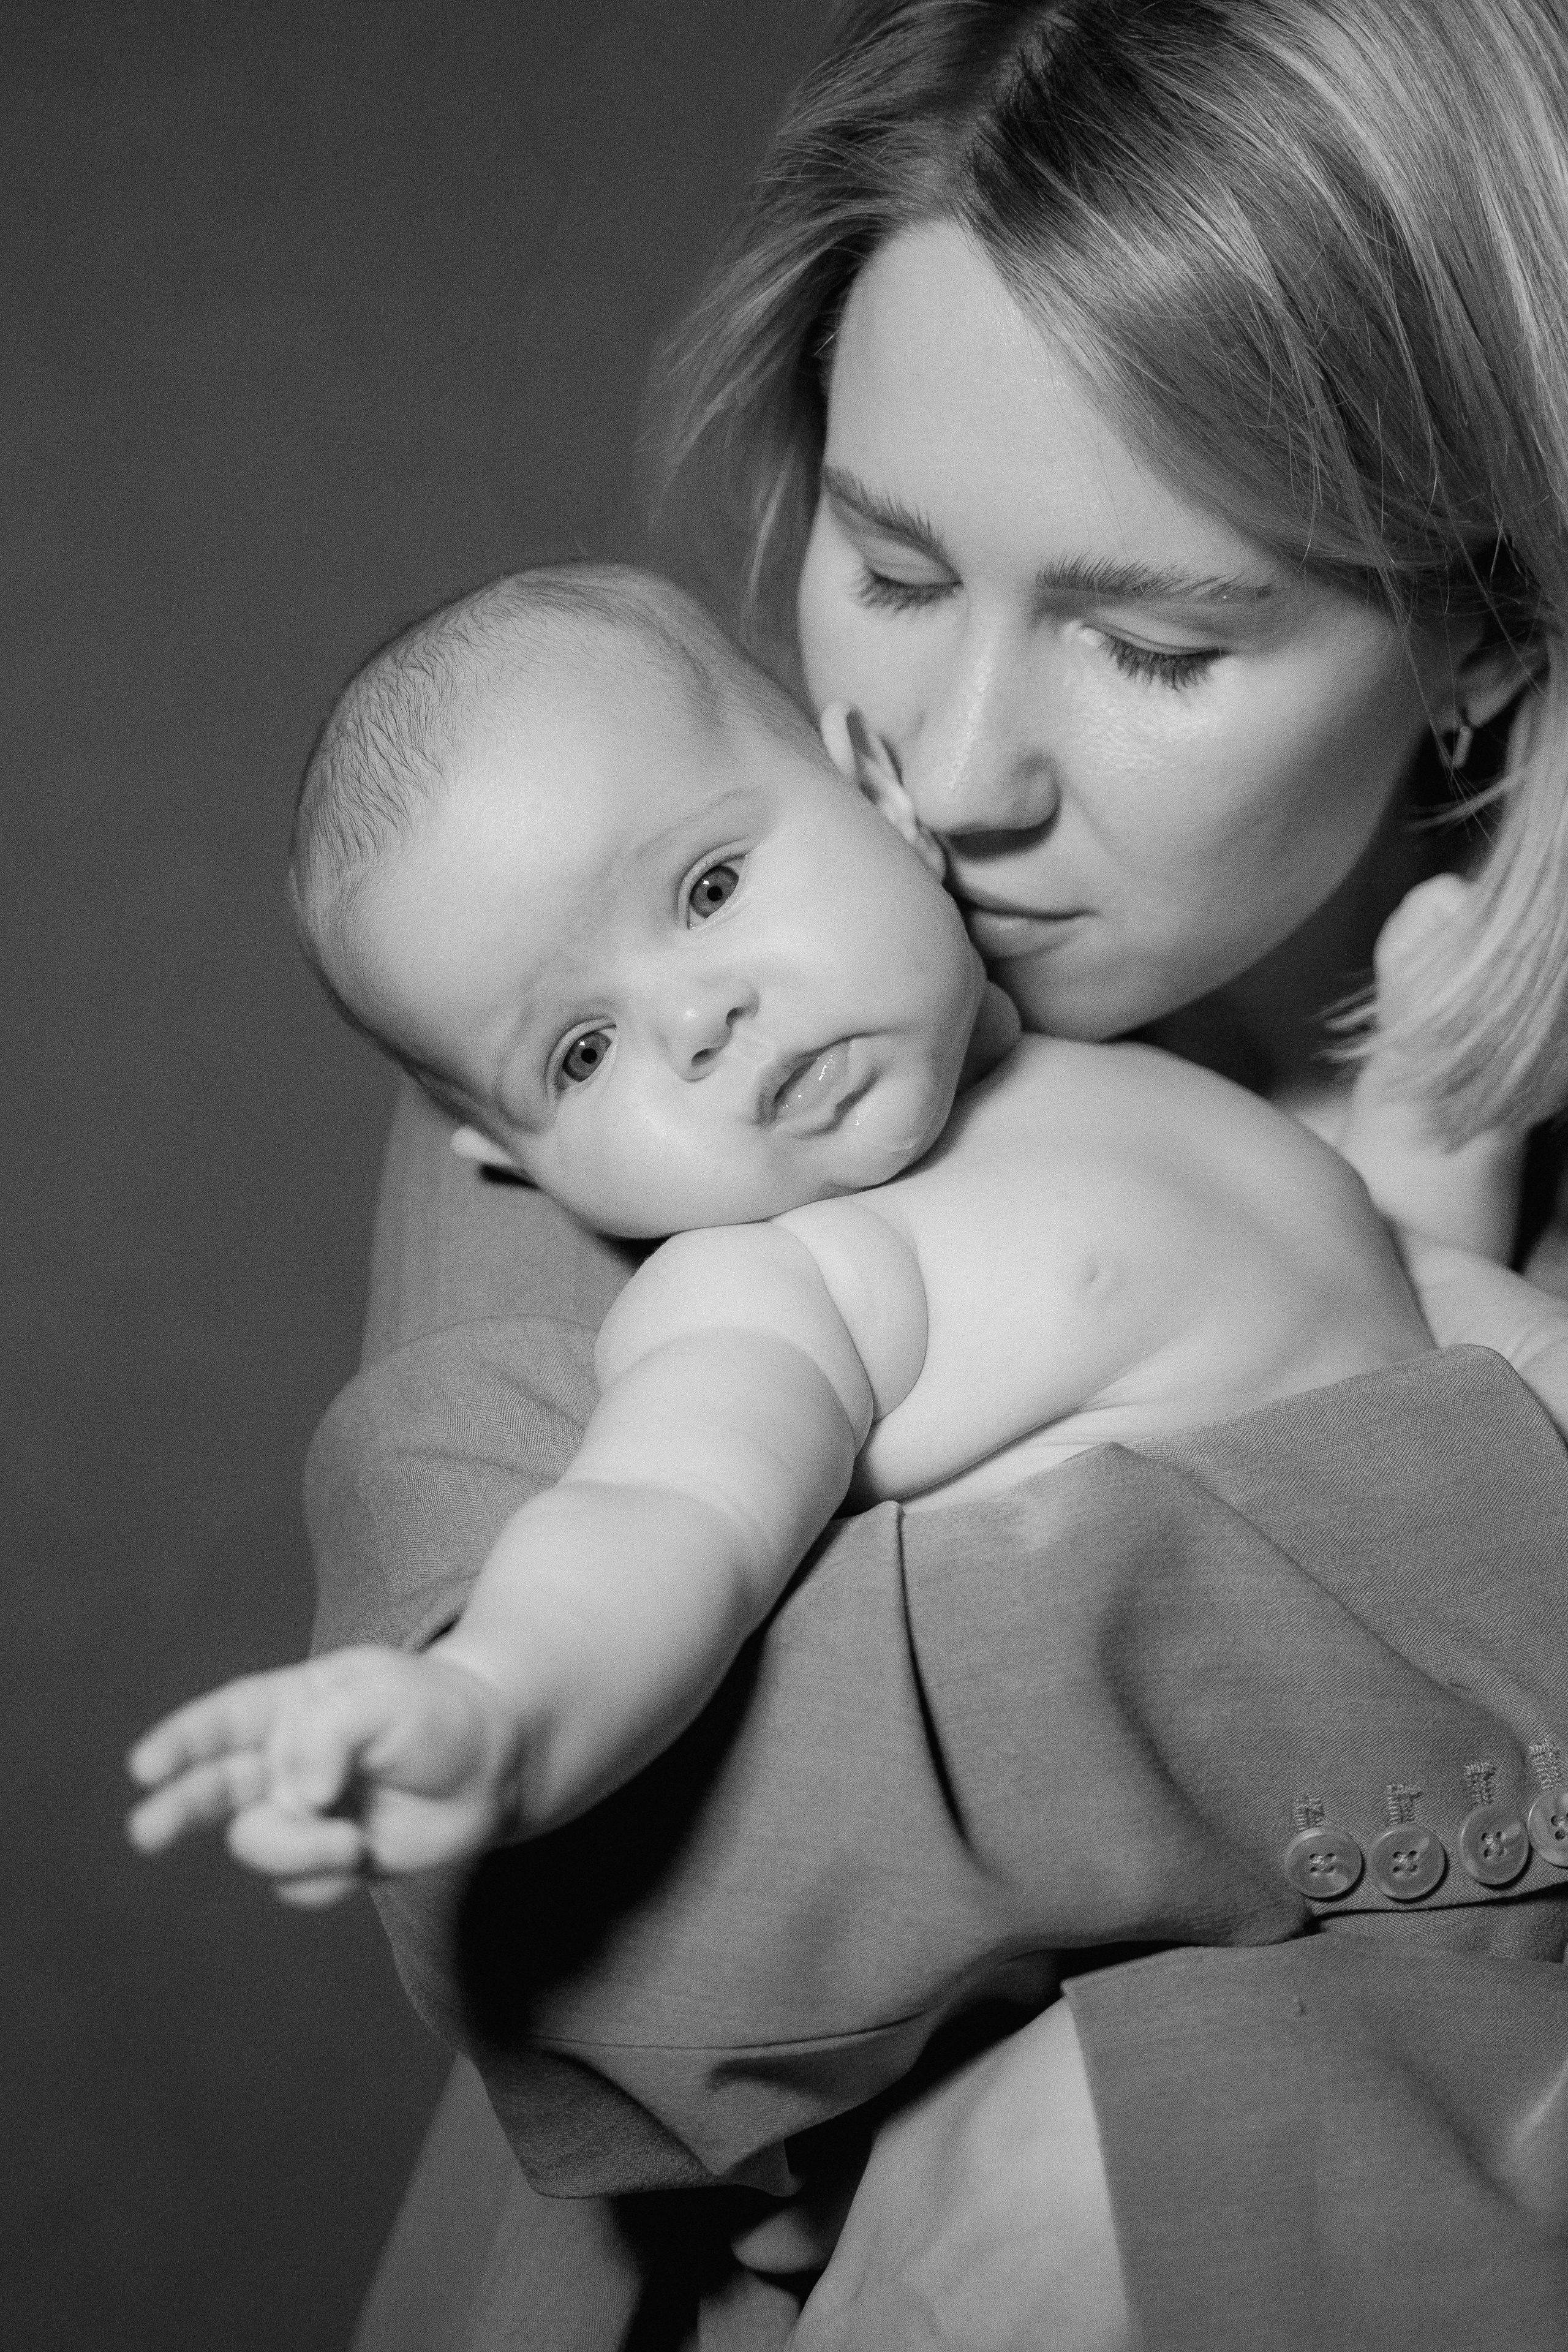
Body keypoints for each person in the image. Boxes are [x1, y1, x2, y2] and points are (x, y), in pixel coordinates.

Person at [303, 4, 1568, 2346]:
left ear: (1482, 623)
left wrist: (1177, 2142)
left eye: (1151, 641)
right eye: (889, 567)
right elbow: (605, 1934)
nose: (955, 778)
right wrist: (1480, 1495)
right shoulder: (611, 1022)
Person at [128, 566, 1568, 1923]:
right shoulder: (781, 1284)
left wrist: (1430, 1126)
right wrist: (499, 1711)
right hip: (1346, 1893)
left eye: (705, 890)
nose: (695, 1024)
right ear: (519, 1166)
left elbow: (1384, 1302)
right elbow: (660, 1524)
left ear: (881, 798)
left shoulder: (1138, 1081)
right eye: (578, 1053)